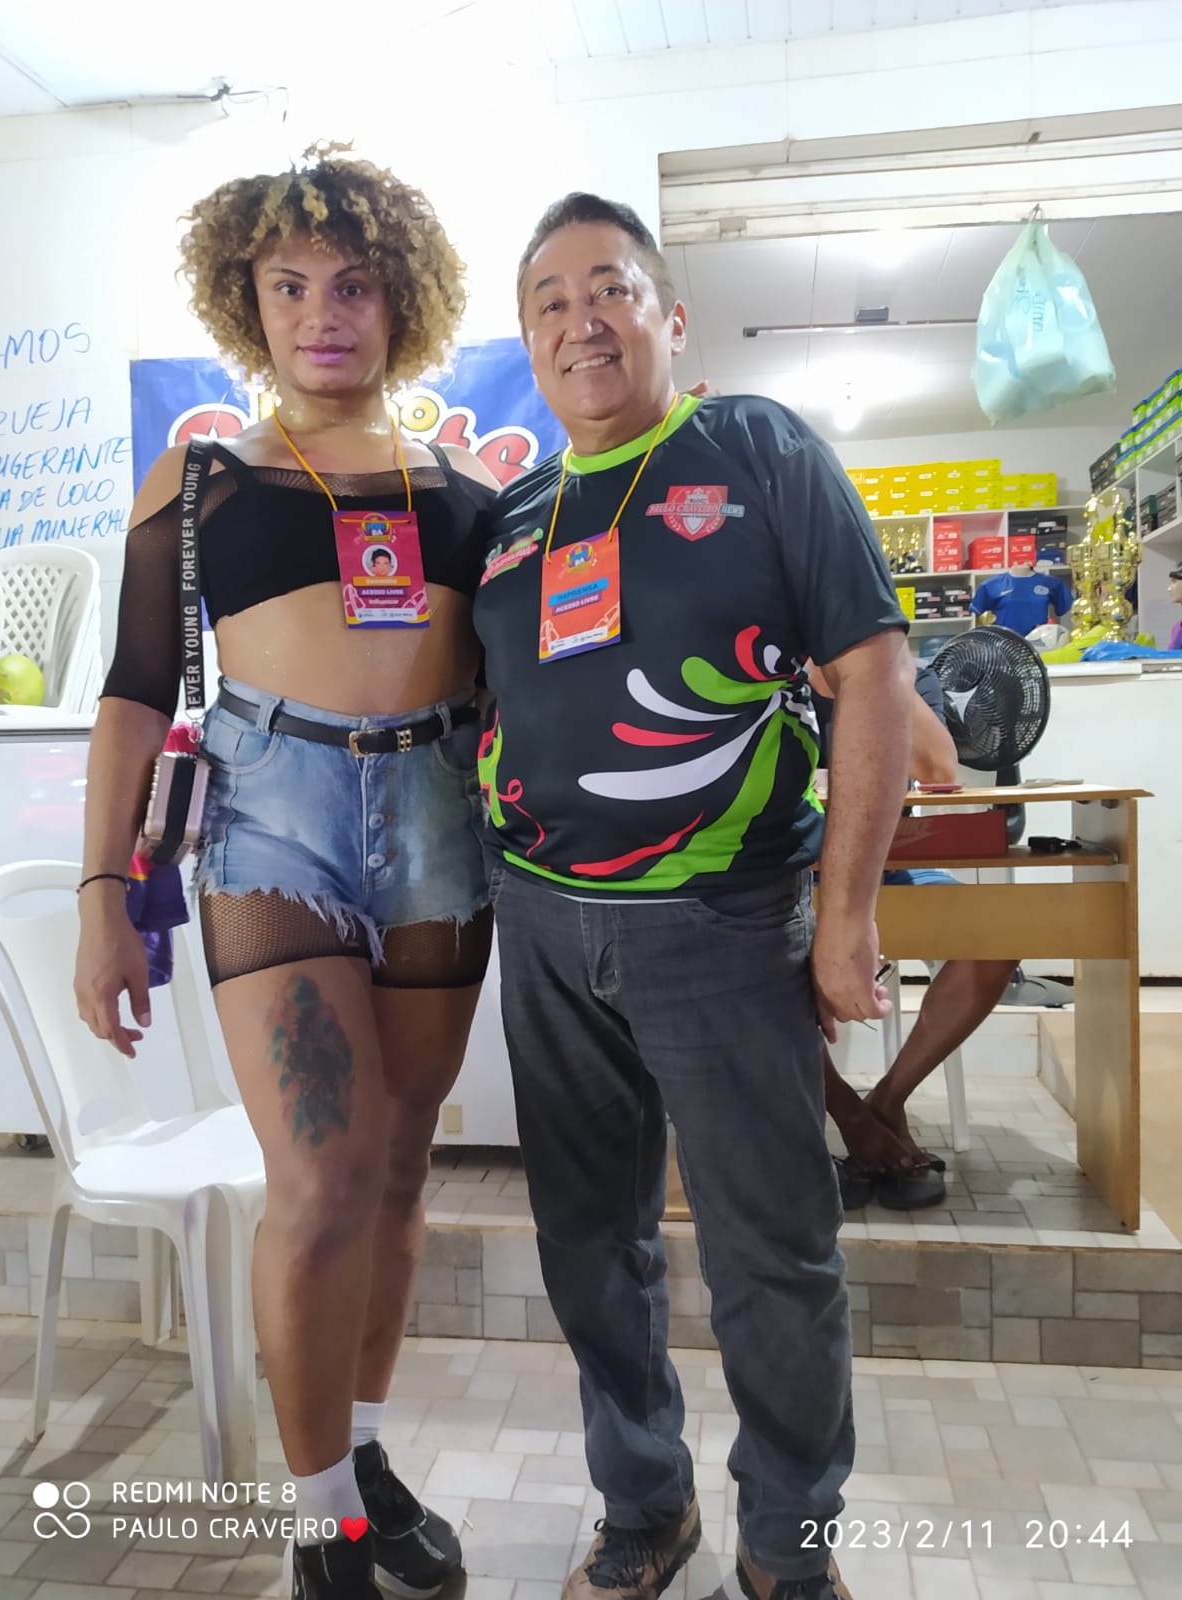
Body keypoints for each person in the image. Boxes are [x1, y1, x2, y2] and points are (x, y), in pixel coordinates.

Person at [473, 193, 915, 1600]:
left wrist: (845, 919)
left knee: (771, 1252)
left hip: (722, 921)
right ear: (529, 345)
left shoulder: (758, 449)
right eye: (550, 302)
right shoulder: (513, 518)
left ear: (670, 316)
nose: (581, 321)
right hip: (543, 927)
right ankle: (644, 1503)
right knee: (588, 1247)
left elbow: (876, 678)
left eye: (609, 288)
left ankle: (788, 1544)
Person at [74, 147, 498, 1600]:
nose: (324, 313)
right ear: (245, 302)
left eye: (355, 285)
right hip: (270, 818)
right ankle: (323, 1526)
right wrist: (102, 902)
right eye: (290, 285)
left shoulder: (467, 490)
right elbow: (135, 692)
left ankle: (359, 1457)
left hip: (437, 815)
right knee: (318, 1175)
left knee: (397, 1166)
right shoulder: (197, 480)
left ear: (402, 300)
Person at [808, 662, 1019, 1209]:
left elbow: (938, 768)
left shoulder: (903, 673)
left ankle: (886, 1101)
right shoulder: (772, 671)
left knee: (996, 939)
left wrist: (883, 669)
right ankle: (847, 1112)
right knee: (755, 953)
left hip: (894, 860)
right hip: (796, 870)